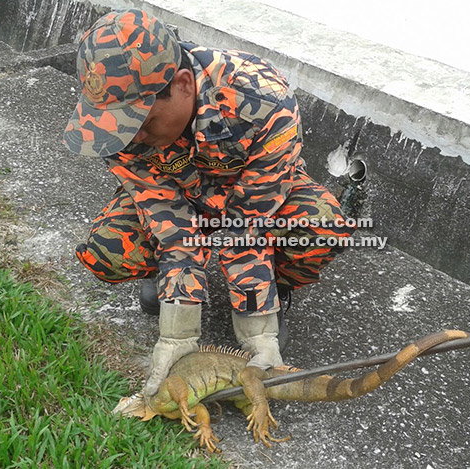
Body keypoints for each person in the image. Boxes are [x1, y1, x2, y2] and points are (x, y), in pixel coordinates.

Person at [63, 9, 354, 398]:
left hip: (253, 198)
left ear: (183, 84)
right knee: (110, 250)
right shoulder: (109, 126)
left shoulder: (263, 99)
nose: (134, 139)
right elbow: (167, 217)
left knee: (322, 227)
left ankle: (276, 287)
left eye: (143, 125)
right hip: (181, 196)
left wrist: (257, 324)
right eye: (122, 129)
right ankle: (167, 277)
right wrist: (179, 325)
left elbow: (247, 225)